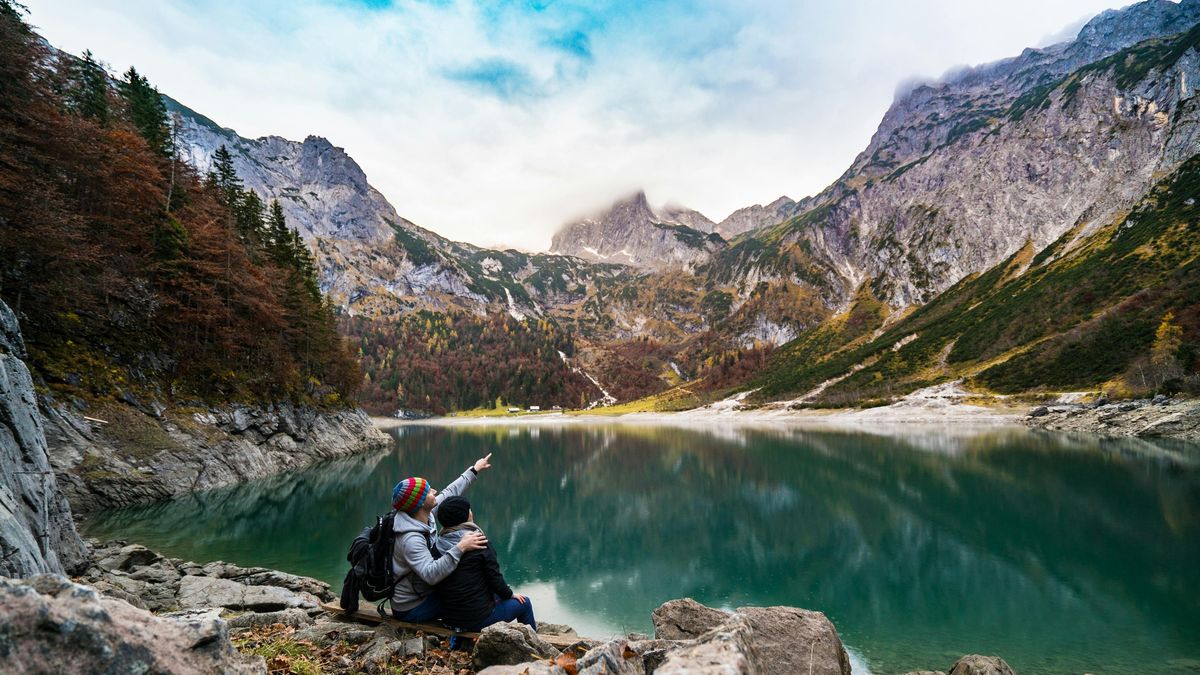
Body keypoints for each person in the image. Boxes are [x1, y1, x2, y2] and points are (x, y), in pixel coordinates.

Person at [390, 453, 492, 622]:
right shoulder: (410, 539)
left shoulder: (423, 514)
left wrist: (474, 469)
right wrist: (461, 547)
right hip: (412, 606)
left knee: (469, 589)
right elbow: (430, 574)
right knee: (469, 598)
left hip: (423, 592)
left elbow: (450, 491)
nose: (434, 491)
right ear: (421, 502)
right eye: (429, 491)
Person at [433, 495, 536, 632]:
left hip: (449, 618)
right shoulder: (479, 543)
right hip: (477, 620)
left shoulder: (437, 544)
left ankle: (458, 640)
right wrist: (510, 594)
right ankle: (536, 646)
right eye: (469, 510)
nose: (471, 512)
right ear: (467, 515)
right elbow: (495, 578)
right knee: (524, 603)